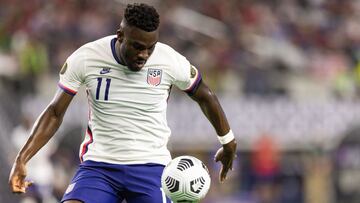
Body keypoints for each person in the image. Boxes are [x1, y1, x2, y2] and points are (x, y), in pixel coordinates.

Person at [9, 3, 237, 203]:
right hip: (99, 166)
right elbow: (55, 112)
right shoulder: (87, 58)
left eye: (151, 47)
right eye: (137, 46)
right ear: (120, 35)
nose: (144, 54)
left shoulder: (169, 60)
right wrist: (22, 158)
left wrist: (228, 141)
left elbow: (204, 94)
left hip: (152, 167)